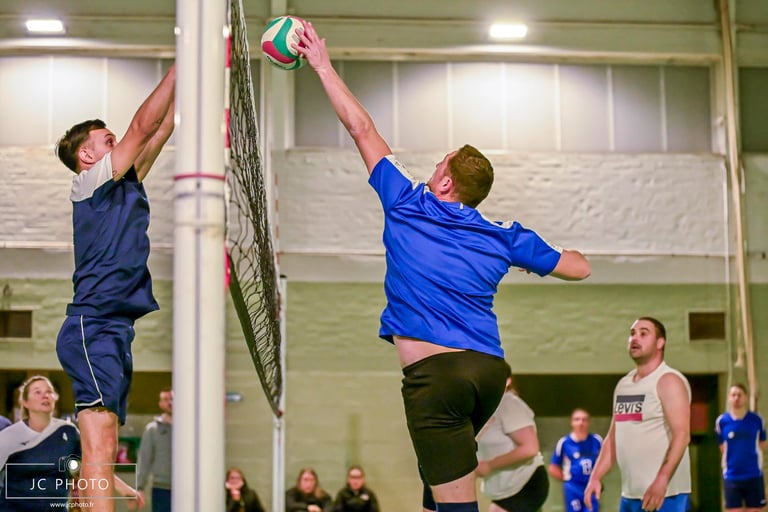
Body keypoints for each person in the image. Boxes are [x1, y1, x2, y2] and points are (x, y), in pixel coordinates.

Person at [294, 23, 591, 512]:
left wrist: (323, 66)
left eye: (439, 164)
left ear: (447, 183)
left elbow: (361, 128)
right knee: (436, 487)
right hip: (489, 373)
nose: (432, 169)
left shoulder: (407, 201)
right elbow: (579, 268)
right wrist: (529, 260)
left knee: (455, 504)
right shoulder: (503, 235)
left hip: (438, 378)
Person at [53, 63, 175, 512]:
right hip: (93, 325)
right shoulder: (88, 183)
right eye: (108, 140)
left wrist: (200, 70)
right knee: (101, 445)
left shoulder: (126, 181)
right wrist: (183, 61)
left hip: (115, 329)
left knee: (99, 447)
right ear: (87, 156)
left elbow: (162, 127)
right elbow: (143, 127)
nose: (118, 142)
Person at [584, 317, 691, 512]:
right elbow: (613, 438)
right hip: (630, 495)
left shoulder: (669, 381)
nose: (635, 338)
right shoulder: (624, 385)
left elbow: (682, 435)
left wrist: (662, 480)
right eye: (632, 333)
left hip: (665, 494)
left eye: (643, 333)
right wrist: (595, 477)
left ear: (660, 343)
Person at [0, 375, 143, 511]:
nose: (45, 395)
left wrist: (125, 490)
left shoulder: (68, 432)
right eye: (37, 392)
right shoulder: (10, 435)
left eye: (49, 392)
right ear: (25, 402)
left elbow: (90, 468)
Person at [475, 364, 549, 512]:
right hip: (503, 489)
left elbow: (530, 448)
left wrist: (490, 465)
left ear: (507, 381)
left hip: (524, 484)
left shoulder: (509, 403)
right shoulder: (487, 408)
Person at [715, 383, 767, 512]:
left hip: (754, 475)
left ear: (746, 397)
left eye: (739, 395)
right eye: (733, 395)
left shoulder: (757, 420)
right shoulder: (722, 421)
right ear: (729, 398)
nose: (736, 398)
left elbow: (762, 444)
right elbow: (722, 447)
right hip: (732, 476)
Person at [548, 408, 603, 512]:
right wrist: (567, 479)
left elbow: (605, 461)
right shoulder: (564, 442)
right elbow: (553, 467)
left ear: (589, 422)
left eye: (584, 420)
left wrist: (597, 478)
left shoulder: (597, 440)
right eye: (577, 419)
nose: (580, 423)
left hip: (591, 485)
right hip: (573, 487)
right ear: (571, 422)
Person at [136, 387, 173, 512]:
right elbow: (144, 459)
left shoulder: (189, 428)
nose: (170, 402)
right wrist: (140, 487)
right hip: (161, 488)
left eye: (172, 399)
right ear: (160, 404)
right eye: (166, 399)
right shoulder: (152, 429)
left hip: (186, 487)